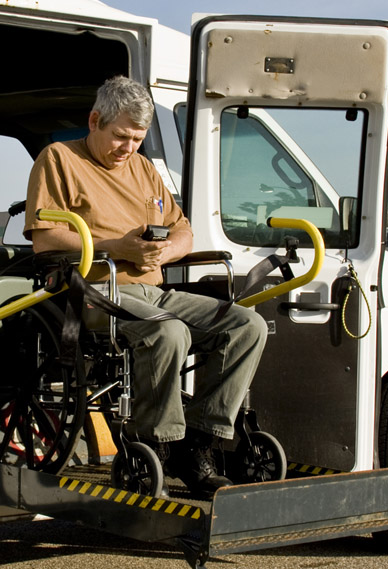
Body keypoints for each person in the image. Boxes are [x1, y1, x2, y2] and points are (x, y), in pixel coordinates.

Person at [23, 76, 268, 497]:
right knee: (167, 330)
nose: (128, 148)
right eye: (120, 137)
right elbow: (45, 239)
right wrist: (116, 247)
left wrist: (165, 252)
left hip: (152, 289)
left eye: (136, 139)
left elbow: (184, 232)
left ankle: (199, 441)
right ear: (94, 120)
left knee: (247, 326)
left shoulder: (144, 169)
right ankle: (157, 442)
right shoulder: (59, 159)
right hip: (97, 291)